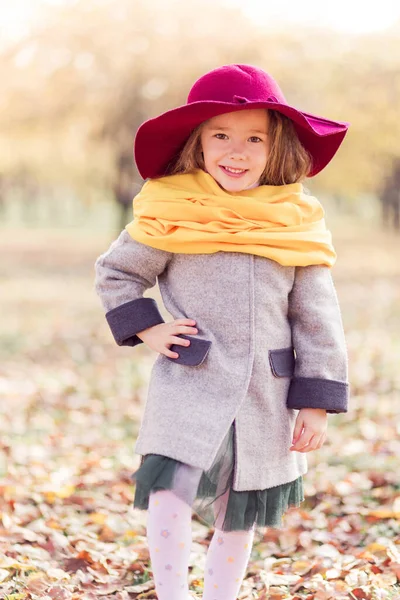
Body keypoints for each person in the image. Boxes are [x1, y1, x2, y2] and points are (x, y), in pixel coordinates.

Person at [94, 63, 350, 600]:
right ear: (199, 142)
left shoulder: (294, 222)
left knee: (240, 508)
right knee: (172, 487)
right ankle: (172, 592)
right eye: (221, 136)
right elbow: (118, 272)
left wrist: (317, 400)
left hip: (266, 390)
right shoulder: (174, 213)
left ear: (275, 145)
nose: (237, 151)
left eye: (254, 138)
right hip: (192, 376)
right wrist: (149, 329)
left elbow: (317, 319)